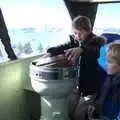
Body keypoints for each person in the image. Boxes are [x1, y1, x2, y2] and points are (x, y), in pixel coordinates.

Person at [46, 15, 107, 120]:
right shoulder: (74, 41)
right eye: (75, 33)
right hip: (77, 85)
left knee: (78, 115)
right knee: (68, 110)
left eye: (81, 33)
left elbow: (93, 51)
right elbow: (63, 47)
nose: (78, 36)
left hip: (90, 88)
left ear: (89, 30)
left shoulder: (95, 42)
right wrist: (50, 52)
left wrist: (81, 50)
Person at [87, 41, 120, 119]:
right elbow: (102, 93)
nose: (106, 64)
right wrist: (94, 105)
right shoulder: (109, 77)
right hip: (102, 114)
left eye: (110, 62)